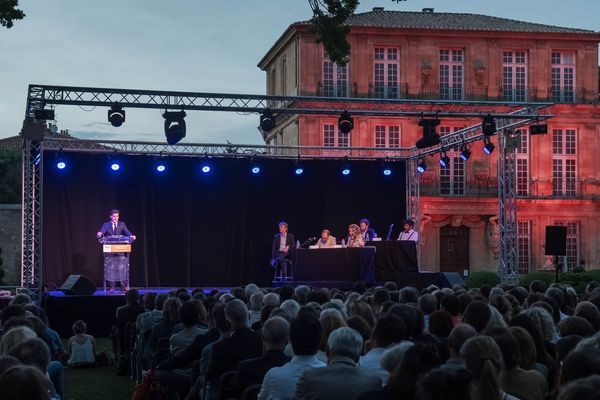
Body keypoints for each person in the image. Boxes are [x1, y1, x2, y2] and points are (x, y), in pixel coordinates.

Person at [96, 209, 136, 291]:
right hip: (110, 250)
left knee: (122, 268)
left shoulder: (122, 224)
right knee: (111, 268)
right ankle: (112, 287)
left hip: (120, 249)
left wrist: (131, 236)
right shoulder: (106, 225)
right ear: (111, 216)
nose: (115, 218)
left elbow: (127, 232)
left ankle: (124, 286)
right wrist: (99, 233)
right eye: (114, 216)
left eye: (117, 216)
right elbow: (101, 232)